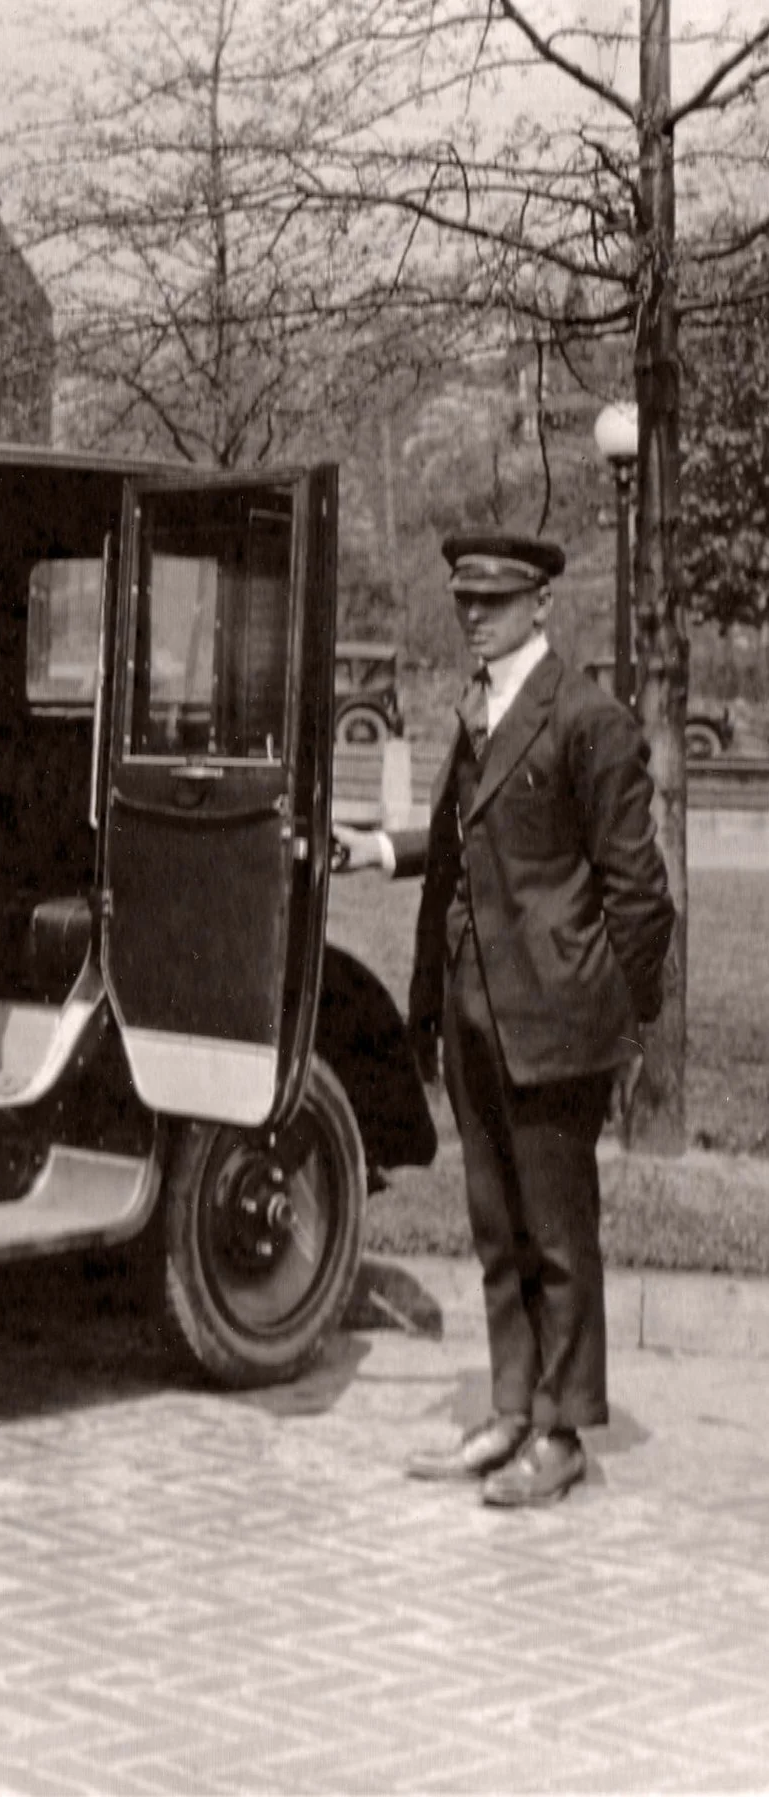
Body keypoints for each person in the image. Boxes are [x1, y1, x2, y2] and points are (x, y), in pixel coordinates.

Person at [335, 532, 674, 1508]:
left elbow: (639, 898)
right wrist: (382, 854)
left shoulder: (588, 718)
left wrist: (619, 1019)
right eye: (465, 602)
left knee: (561, 1236)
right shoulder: (479, 710)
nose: (475, 615)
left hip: (557, 1017)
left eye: (494, 600)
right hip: (475, 1010)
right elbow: (453, 837)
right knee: (498, 1227)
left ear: (540, 608)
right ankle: (510, 1408)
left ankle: (562, 1432)